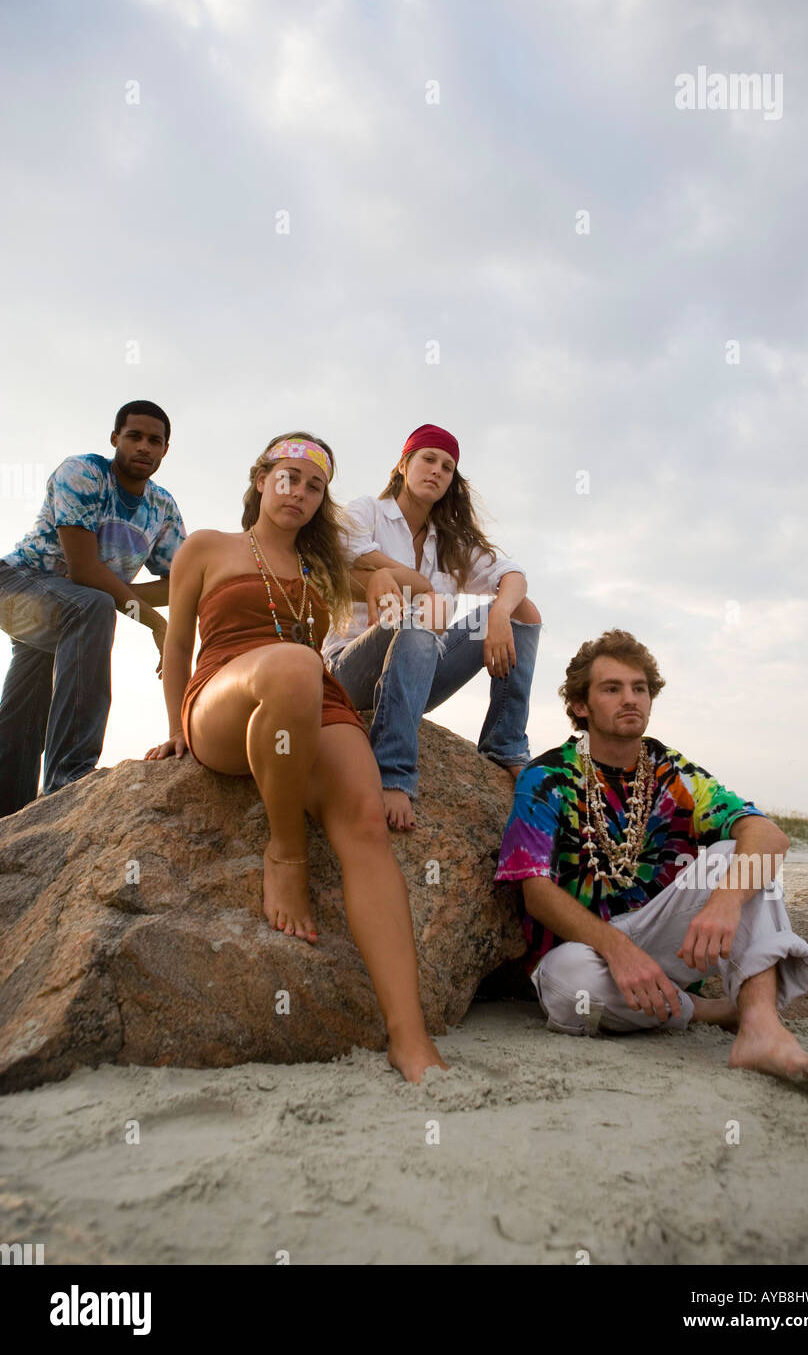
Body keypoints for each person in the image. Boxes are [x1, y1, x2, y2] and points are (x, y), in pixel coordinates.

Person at [144, 433, 447, 1084]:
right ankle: (285, 850)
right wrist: (173, 728)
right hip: (226, 696)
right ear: (261, 479)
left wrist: (390, 578)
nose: (300, 493)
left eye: (314, 486)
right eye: (289, 477)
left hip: (312, 701)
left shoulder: (325, 565)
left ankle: (410, 1038)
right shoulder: (207, 548)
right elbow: (175, 649)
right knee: (292, 662)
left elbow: (408, 590)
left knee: (365, 822)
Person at [494, 629, 808, 1095]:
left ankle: (760, 1029)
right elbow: (535, 892)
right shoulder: (548, 776)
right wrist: (618, 951)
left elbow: (767, 835)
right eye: (612, 688)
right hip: (585, 950)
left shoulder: (670, 770)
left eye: (639, 688)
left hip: (665, 939)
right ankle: (714, 1012)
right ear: (581, 705)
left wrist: (724, 904)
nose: (630, 698)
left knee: (739, 856)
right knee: (569, 986)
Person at [323, 424, 542, 831]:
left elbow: (512, 574)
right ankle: (392, 773)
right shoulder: (368, 511)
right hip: (349, 670)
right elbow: (344, 558)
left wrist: (497, 615)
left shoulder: (448, 542)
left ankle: (505, 743)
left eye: (447, 467)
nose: (437, 471)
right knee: (432, 606)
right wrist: (420, 586)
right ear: (403, 464)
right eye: (428, 459)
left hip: (418, 675)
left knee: (522, 611)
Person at [0, 400, 185, 817]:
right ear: (114, 438)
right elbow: (85, 571)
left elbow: (181, 582)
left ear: (165, 450)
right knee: (93, 606)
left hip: (66, 608)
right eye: (134, 436)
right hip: (14, 586)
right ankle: (70, 778)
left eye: (154, 441)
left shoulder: (163, 508)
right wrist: (156, 624)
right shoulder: (83, 473)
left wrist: (152, 610)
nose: (144, 447)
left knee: (24, 710)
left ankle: (10, 816)